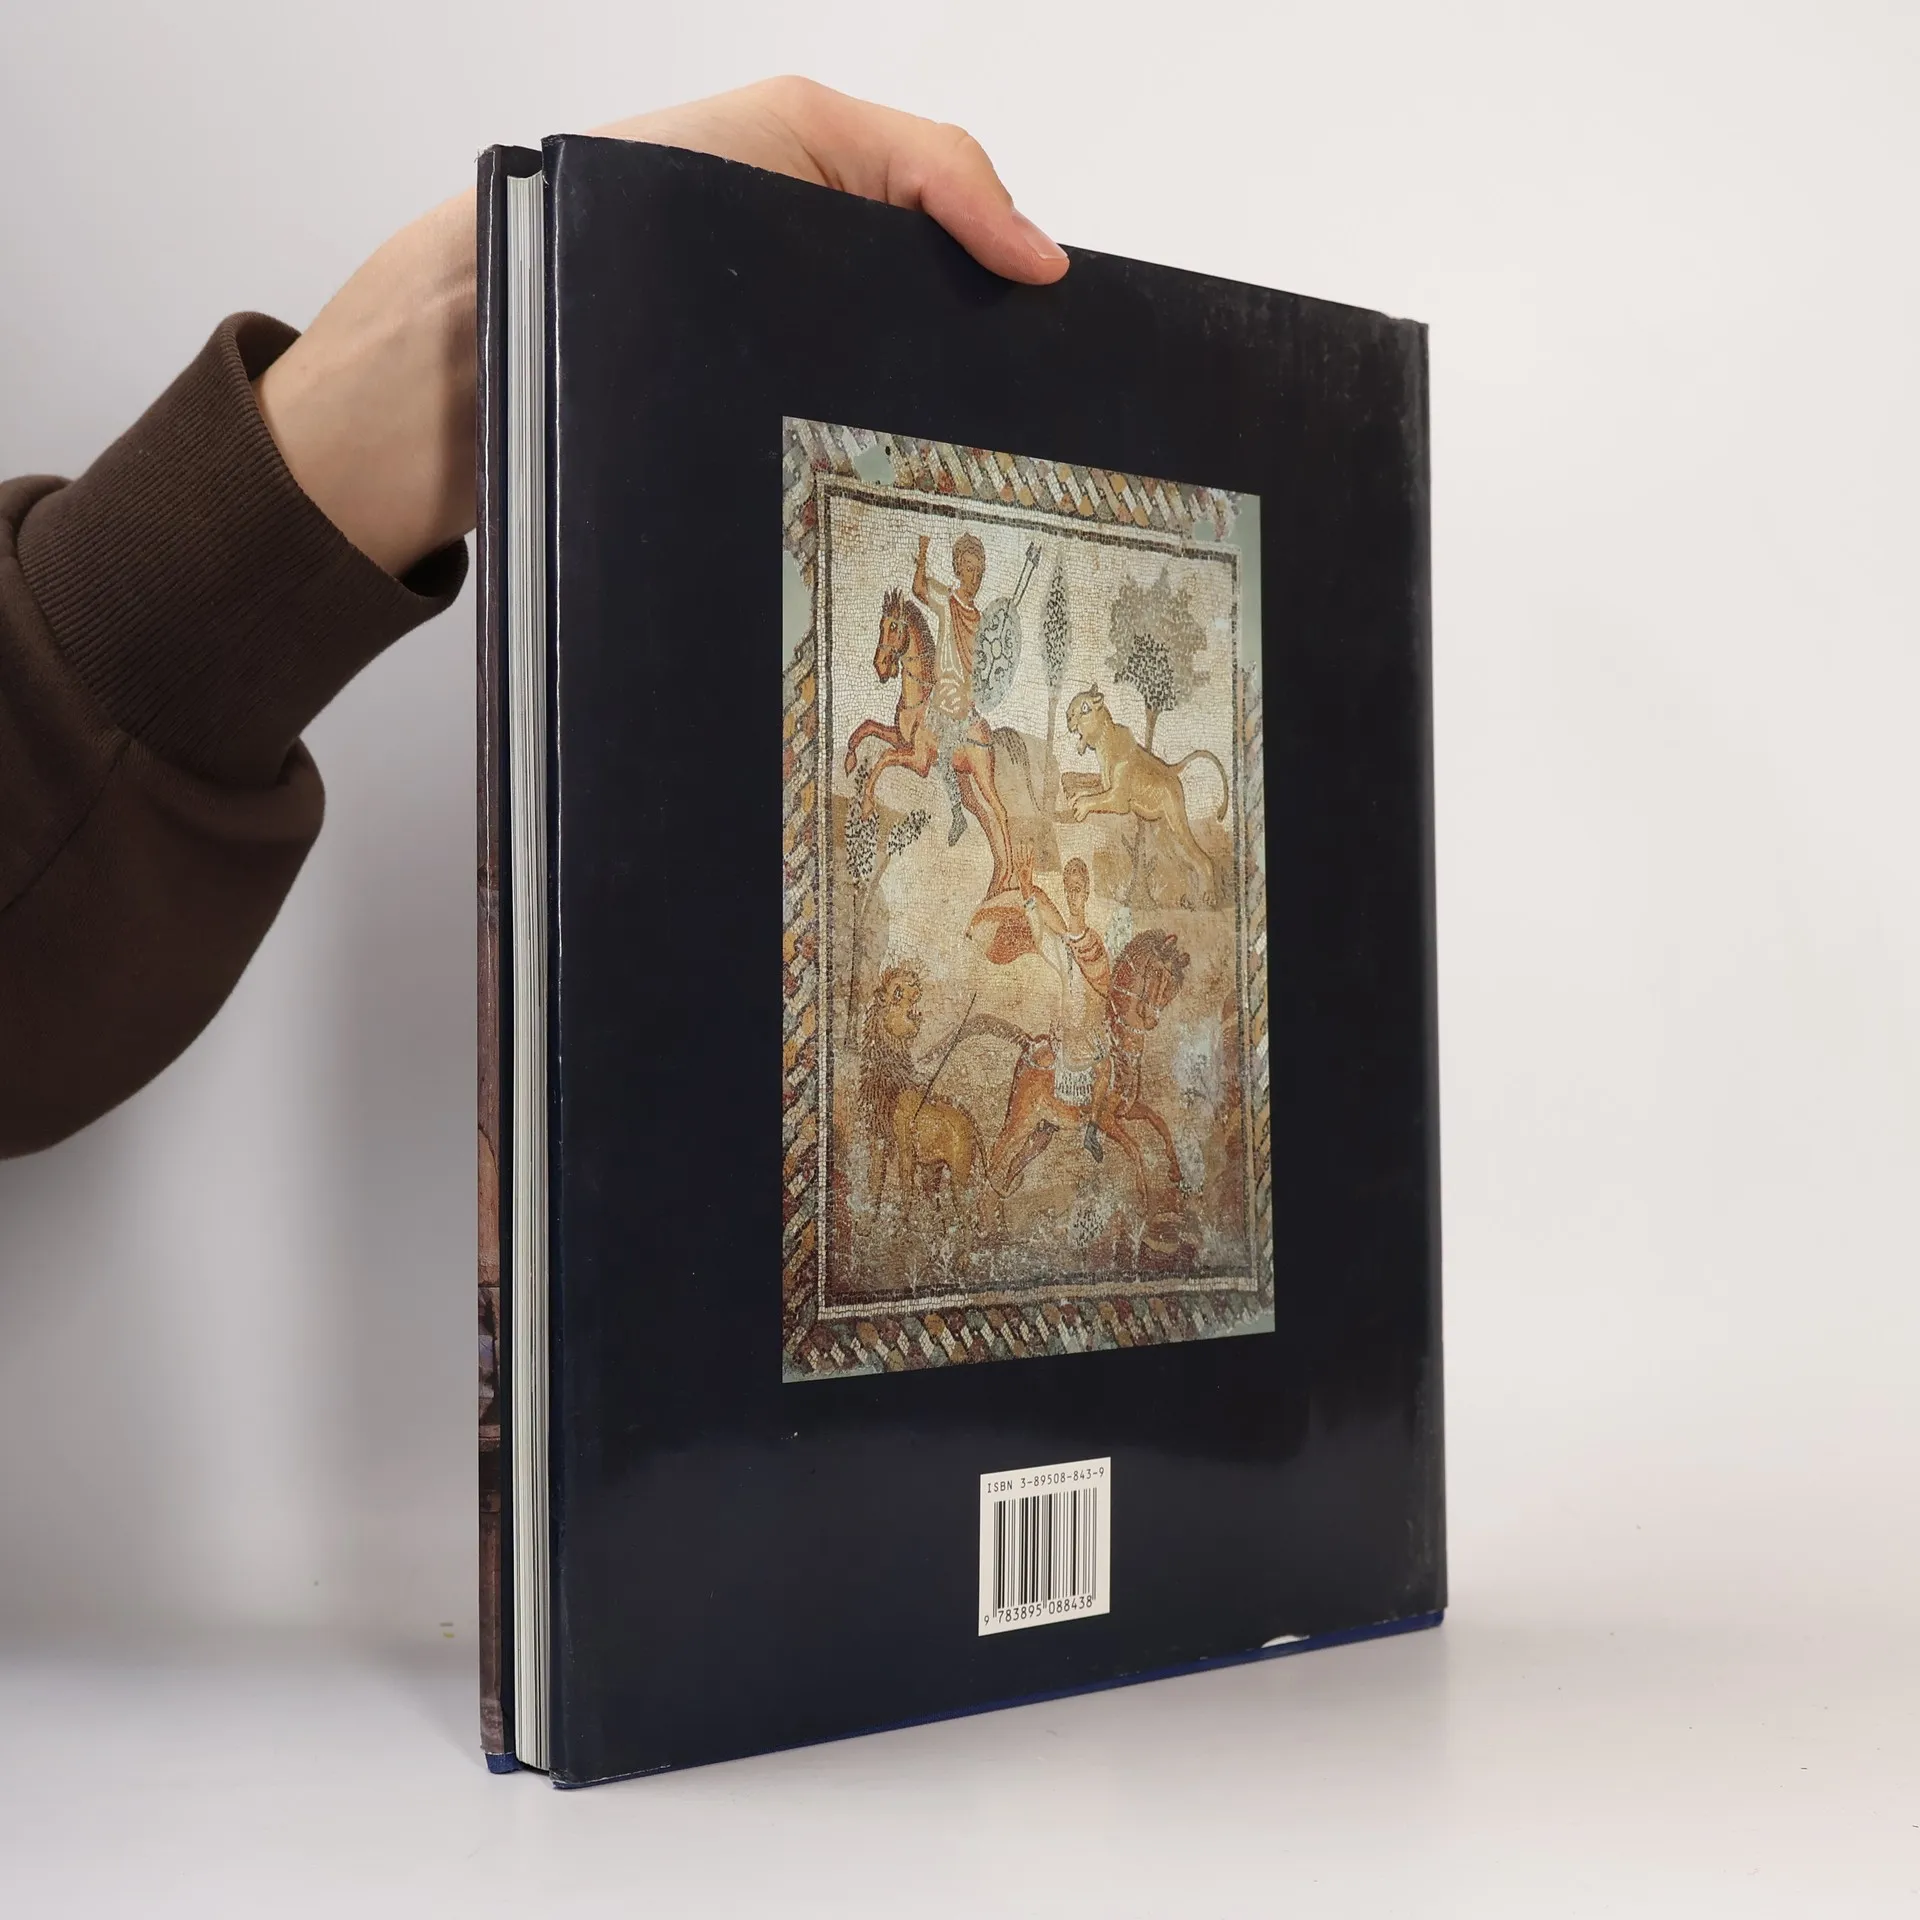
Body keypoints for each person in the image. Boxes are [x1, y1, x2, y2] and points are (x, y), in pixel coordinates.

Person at [0, 78, 1067, 1159]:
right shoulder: (940, 599)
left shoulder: (966, 614)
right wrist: (490, 306)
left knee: (960, 748)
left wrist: (495, 299)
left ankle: (1005, 863)